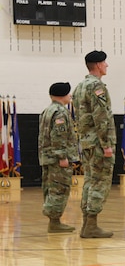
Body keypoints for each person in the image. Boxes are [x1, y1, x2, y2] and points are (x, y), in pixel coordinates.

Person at [73, 50, 116, 238]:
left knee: (90, 182)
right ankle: (91, 225)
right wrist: (106, 144)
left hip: (86, 143)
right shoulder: (97, 87)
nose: (107, 65)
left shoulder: (79, 87)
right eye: (105, 62)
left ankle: (87, 224)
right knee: (100, 182)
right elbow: (101, 117)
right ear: (98, 65)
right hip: (98, 143)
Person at [38, 82, 79, 233]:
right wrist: (62, 156)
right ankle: (55, 222)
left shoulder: (47, 111)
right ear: (63, 95)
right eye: (68, 93)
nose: (70, 96)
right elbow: (58, 136)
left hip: (47, 157)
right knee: (59, 189)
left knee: (50, 188)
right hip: (57, 158)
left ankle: (54, 220)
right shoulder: (60, 112)